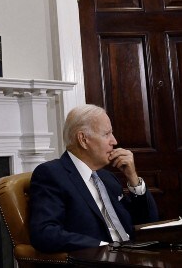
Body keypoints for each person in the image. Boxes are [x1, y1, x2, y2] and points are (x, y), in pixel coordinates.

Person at [29, 104, 158, 253]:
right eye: (107, 134)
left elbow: (148, 222)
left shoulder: (107, 178)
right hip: (100, 258)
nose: (114, 141)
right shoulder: (51, 174)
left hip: (135, 253)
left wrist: (133, 178)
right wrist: (102, 247)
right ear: (83, 139)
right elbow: (45, 233)